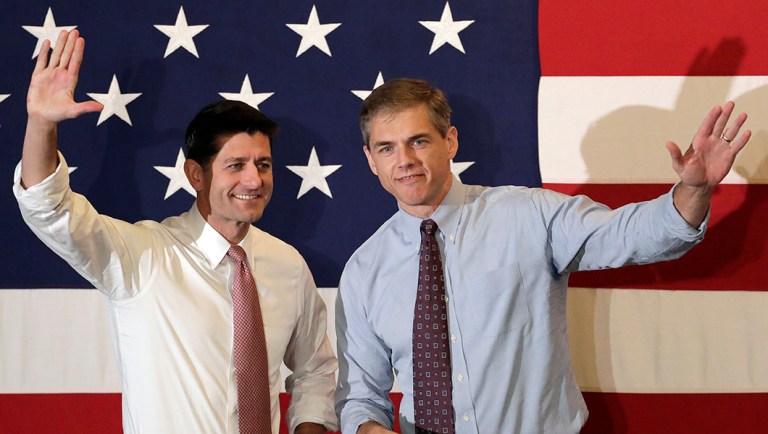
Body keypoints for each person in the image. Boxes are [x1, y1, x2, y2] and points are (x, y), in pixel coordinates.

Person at [334, 78, 751, 433]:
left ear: (450, 141)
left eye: (418, 141)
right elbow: (360, 397)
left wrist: (694, 190)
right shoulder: (364, 270)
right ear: (370, 160)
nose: (404, 161)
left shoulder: (528, 215)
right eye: (386, 148)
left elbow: (631, 235)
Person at [14, 30, 337, 434]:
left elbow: (315, 369)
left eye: (264, 165)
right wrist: (41, 123)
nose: (254, 180)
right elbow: (50, 209)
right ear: (195, 174)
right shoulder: (141, 256)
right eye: (236, 165)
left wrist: (309, 427)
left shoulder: (287, 265)